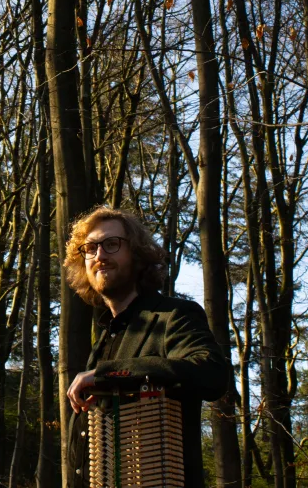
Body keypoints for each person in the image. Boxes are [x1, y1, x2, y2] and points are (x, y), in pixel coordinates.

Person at [63, 206, 229, 488]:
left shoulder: (173, 316)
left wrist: (108, 375)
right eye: (90, 248)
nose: (99, 255)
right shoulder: (104, 340)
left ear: (138, 255)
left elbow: (211, 372)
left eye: (111, 244)